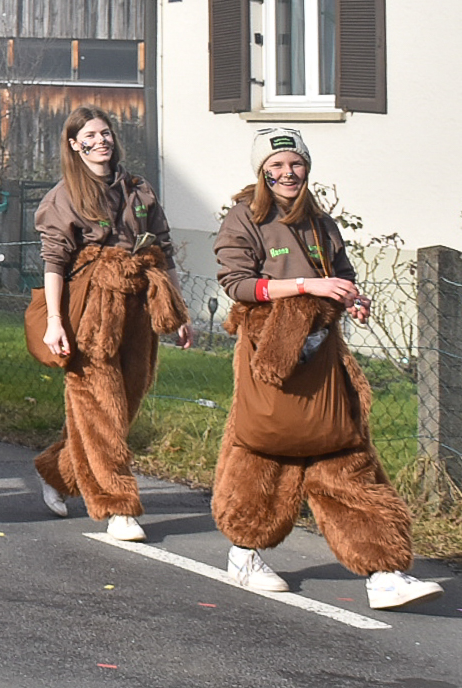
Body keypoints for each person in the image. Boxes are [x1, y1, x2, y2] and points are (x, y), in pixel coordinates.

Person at [211, 128, 443, 610]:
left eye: (295, 164)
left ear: (307, 167)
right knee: (266, 446)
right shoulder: (244, 218)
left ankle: (384, 572)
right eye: (276, 166)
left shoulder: (320, 222)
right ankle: (245, 552)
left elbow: (343, 274)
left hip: (323, 351)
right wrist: (305, 287)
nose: (287, 173)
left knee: (344, 451)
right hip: (269, 354)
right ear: (261, 172)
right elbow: (238, 284)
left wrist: (352, 297)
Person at [33, 107, 190, 540]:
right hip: (91, 313)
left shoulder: (138, 189)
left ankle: (57, 471)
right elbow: (54, 264)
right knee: (102, 408)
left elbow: (165, 252)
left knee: (123, 408)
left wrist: (178, 312)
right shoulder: (64, 197)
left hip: (139, 309)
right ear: (74, 144)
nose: (100, 141)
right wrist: (55, 322)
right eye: (90, 135)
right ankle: (117, 507)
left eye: (105, 133)